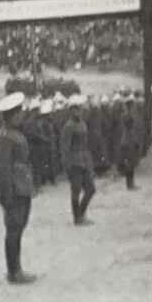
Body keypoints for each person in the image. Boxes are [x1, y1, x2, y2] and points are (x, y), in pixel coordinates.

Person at [0, 92, 37, 284]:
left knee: (18, 227)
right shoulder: (5, 137)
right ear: (11, 115)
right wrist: (8, 194)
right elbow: (3, 168)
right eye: (19, 113)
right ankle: (14, 271)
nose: (22, 116)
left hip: (21, 185)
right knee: (13, 229)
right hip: (13, 187)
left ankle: (16, 268)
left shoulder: (15, 134)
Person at [60, 95, 96, 224]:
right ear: (71, 110)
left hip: (84, 160)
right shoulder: (68, 126)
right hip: (74, 162)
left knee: (91, 189)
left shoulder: (82, 123)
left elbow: (86, 143)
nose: (79, 111)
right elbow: (64, 148)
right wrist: (67, 166)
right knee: (76, 190)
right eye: (76, 109)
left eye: (80, 109)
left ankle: (81, 213)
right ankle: (77, 218)